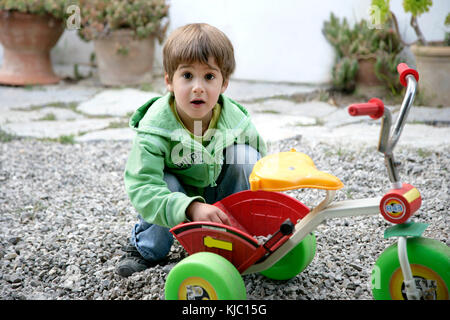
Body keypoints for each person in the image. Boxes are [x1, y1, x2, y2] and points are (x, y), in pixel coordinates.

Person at [116, 23, 267, 277]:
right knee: (165, 181)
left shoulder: (235, 120)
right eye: (187, 76)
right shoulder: (155, 128)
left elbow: (263, 166)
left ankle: (237, 237)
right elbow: (143, 185)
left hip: (218, 195)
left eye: (209, 77)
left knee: (247, 158)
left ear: (224, 83)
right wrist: (190, 208)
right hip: (177, 200)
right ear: (169, 82)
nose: (198, 87)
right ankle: (147, 248)